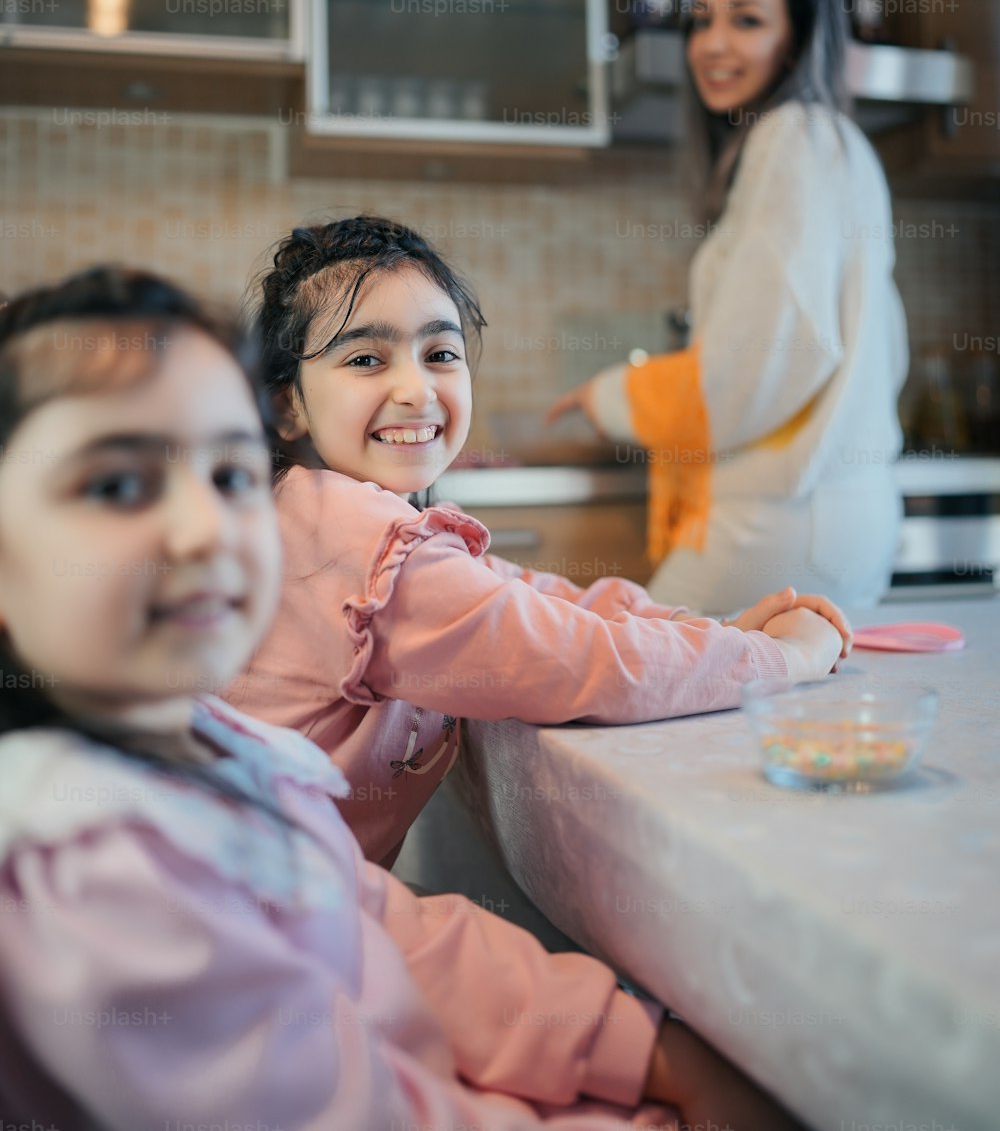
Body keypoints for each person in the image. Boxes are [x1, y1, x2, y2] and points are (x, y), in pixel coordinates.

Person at [0, 265, 807, 1131]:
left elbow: (376, 924)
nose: (202, 531)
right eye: (118, 485)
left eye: (229, 477)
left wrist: (645, 1051)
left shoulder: (204, 746)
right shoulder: (96, 873)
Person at [225, 215, 849, 867]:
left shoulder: (315, 514)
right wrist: (785, 662)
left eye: (440, 354)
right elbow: (581, 663)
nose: (416, 390)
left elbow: (534, 597)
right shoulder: (356, 543)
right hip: (259, 928)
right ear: (287, 405)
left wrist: (718, 634)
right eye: (364, 359)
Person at [550, 0, 909, 613]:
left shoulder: (790, 139)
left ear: (798, 34)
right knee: (783, 723)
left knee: (643, 687)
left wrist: (615, 397)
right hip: (845, 518)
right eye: (700, 20)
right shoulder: (841, 147)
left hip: (775, 524)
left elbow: (754, 367)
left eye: (746, 21)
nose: (712, 44)